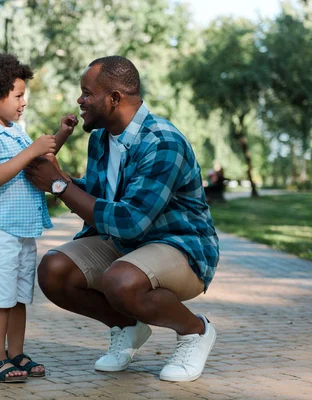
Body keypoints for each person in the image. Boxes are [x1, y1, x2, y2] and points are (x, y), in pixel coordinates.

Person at [24, 56, 220, 382]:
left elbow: (130, 220)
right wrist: (60, 178)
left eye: (87, 93)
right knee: (53, 271)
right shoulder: (101, 139)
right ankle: (128, 328)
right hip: (126, 246)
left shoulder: (162, 142)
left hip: (181, 246)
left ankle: (195, 331)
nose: (80, 100)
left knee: (121, 281)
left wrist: (59, 186)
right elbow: (101, 195)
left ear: (114, 98)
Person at [0, 52, 78, 383]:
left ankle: (16, 353)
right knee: (1, 299)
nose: (23, 102)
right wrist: (29, 151)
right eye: (17, 95)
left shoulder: (15, 132)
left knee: (18, 298)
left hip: (23, 230)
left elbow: (42, 156)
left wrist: (62, 133)